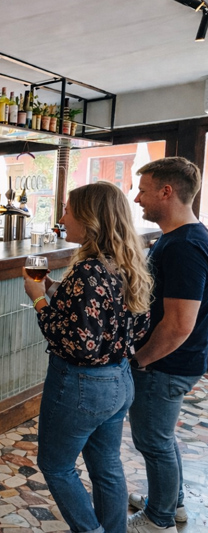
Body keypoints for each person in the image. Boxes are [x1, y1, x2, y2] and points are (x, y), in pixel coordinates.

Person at [23, 182, 152, 533]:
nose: (62, 217)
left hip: (81, 387)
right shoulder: (125, 263)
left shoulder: (87, 271)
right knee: (106, 465)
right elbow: (119, 321)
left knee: (56, 466)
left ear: (89, 218)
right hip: (119, 380)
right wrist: (55, 288)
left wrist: (38, 298)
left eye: (67, 210)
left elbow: (78, 344)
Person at [126, 157, 208, 533]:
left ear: (166, 192)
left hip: (167, 363)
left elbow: (178, 325)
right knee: (161, 437)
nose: (137, 198)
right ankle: (171, 504)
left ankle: (157, 518)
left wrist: (140, 360)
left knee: (153, 441)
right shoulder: (179, 238)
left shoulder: (184, 246)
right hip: (174, 362)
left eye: (142, 190)